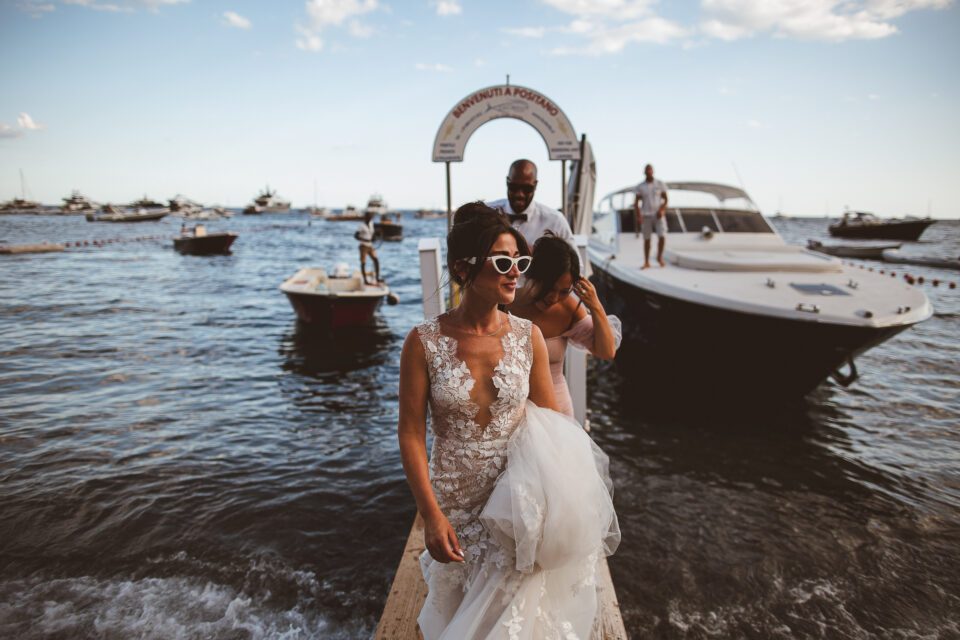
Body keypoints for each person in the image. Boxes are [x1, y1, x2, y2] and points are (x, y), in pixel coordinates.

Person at [398, 202, 619, 639]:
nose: (515, 272)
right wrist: (431, 514)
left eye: (520, 261)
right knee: (457, 616)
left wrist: (556, 509)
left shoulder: (528, 336)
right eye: (503, 262)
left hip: (513, 507)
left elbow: (551, 425)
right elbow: (410, 434)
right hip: (454, 506)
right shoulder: (422, 342)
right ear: (463, 268)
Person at [509, 235, 621, 418]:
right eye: (549, 288)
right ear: (532, 274)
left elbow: (607, 351)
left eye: (563, 291)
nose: (553, 298)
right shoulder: (505, 306)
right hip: (512, 413)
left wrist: (596, 306)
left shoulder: (569, 309)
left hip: (558, 413)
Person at [487, 159, 578, 256]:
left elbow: (577, 267)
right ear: (507, 182)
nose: (519, 194)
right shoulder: (488, 213)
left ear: (535, 186)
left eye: (527, 189)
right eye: (514, 187)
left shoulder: (555, 221)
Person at [634, 163, 669, 268]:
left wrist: (662, 210)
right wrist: (639, 216)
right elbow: (636, 203)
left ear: (653, 171)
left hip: (658, 215)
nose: (649, 172)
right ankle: (646, 261)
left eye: (650, 170)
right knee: (647, 238)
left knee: (662, 236)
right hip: (646, 215)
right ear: (644, 172)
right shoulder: (640, 187)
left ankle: (659, 257)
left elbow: (666, 199)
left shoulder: (659, 184)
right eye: (647, 170)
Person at [355, 209, 380, 284]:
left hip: (370, 246)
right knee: (363, 263)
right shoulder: (361, 226)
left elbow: (372, 234)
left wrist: (374, 237)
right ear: (365, 217)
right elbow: (355, 236)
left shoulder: (371, 224)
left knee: (376, 260)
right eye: (368, 217)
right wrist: (364, 239)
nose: (370, 218)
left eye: (371, 217)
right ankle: (365, 280)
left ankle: (377, 278)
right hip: (363, 246)